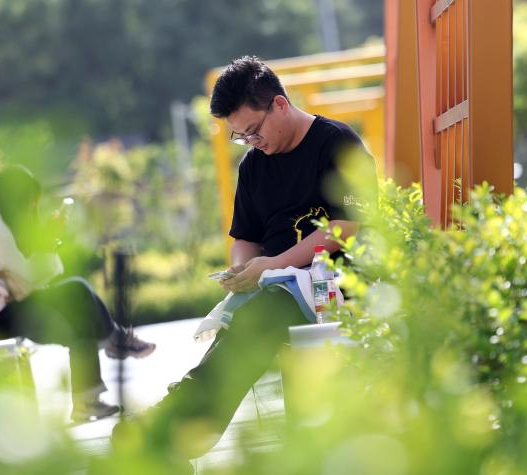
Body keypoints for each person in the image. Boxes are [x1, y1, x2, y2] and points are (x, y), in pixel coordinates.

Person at [112, 55, 372, 461]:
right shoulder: (253, 166)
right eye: (241, 136)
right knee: (240, 326)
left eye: (253, 130)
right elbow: (246, 237)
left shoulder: (337, 142)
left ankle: (173, 428)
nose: (252, 142)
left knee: (255, 322)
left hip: (335, 284)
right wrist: (242, 266)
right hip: (277, 288)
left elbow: (349, 225)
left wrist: (276, 264)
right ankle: (178, 434)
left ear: (280, 104)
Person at [0, 165, 156, 422]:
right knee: (77, 290)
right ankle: (114, 340)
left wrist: (48, 243)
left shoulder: (2, 226)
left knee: (80, 311)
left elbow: (34, 278)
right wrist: (50, 242)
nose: (31, 208)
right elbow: (29, 276)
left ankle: (88, 399)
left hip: (10, 309)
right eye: (29, 201)